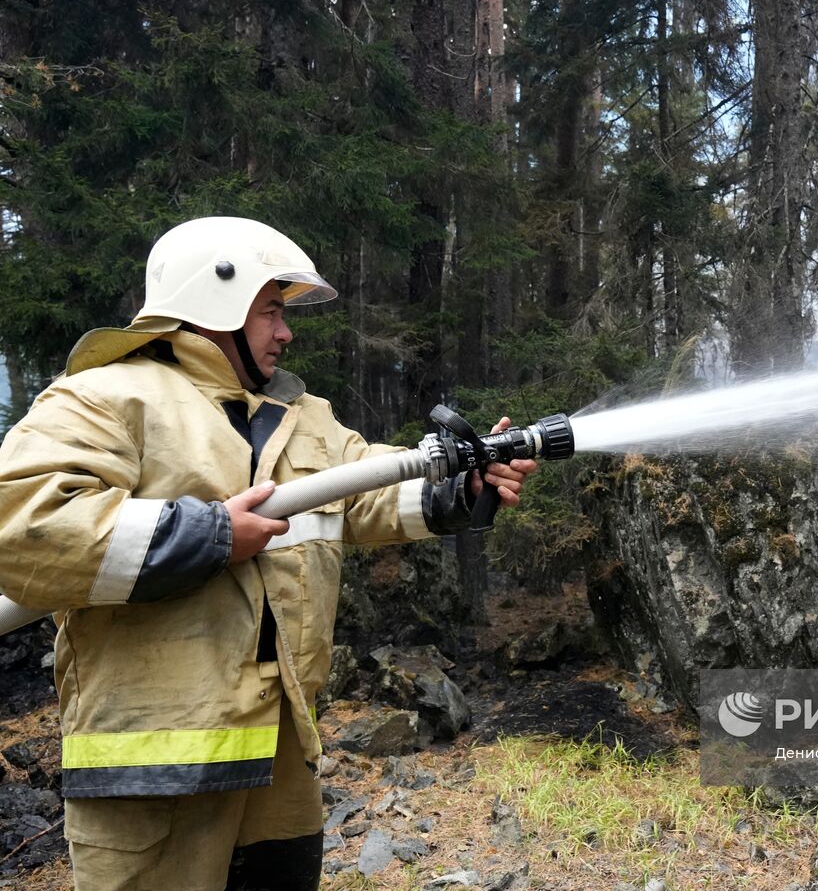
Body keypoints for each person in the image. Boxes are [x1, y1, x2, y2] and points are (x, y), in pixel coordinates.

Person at [0, 216, 537, 890]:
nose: (286, 331)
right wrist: (210, 535)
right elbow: (24, 523)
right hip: (152, 772)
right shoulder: (108, 396)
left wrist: (460, 490)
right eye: (271, 311)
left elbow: (362, 488)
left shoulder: (299, 415)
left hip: (279, 762)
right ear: (213, 302)